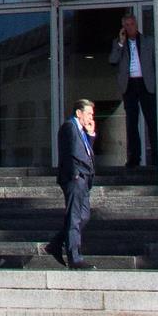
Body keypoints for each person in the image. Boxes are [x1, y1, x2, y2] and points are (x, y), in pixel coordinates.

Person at [47, 99, 96, 268]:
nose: (91, 117)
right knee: (74, 218)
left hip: (84, 178)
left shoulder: (81, 130)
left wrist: (91, 135)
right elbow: (71, 152)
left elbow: (86, 152)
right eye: (88, 113)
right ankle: (75, 258)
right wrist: (75, 174)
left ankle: (55, 244)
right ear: (78, 113)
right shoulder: (69, 127)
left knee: (84, 216)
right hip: (75, 177)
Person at [110, 13, 157, 169]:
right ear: (123, 27)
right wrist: (121, 43)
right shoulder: (119, 43)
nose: (130, 27)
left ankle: (156, 156)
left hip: (145, 84)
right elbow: (113, 60)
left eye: (132, 24)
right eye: (127, 25)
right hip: (129, 85)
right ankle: (134, 157)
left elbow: (156, 62)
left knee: (152, 121)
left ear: (136, 25)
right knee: (131, 122)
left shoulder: (148, 41)